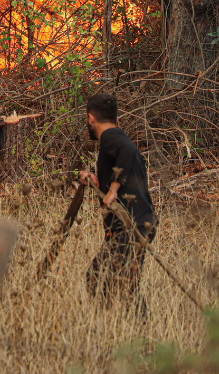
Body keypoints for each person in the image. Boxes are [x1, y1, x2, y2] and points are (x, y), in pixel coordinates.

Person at [79, 92, 158, 317]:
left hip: (131, 225)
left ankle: (141, 338)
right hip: (133, 224)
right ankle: (117, 331)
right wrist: (97, 181)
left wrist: (113, 189)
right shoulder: (115, 137)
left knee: (113, 283)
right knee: (114, 283)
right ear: (117, 117)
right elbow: (124, 161)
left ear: (90, 118)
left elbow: (129, 153)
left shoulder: (111, 138)